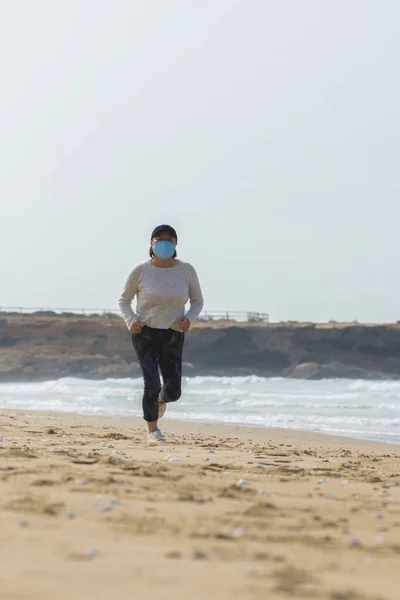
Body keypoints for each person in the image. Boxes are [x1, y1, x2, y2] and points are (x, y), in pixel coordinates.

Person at [118, 224, 204, 444]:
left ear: (175, 244)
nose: (164, 243)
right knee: (152, 382)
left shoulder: (186, 270)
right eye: (159, 239)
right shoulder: (140, 271)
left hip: (173, 333)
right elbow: (124, 301)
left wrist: (190, 319)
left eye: (169, 239)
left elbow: (197, 301)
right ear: (151, 244)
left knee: (173, 391)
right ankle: (153, 432)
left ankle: (160, 400)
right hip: (144, 332)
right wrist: (132, 321)